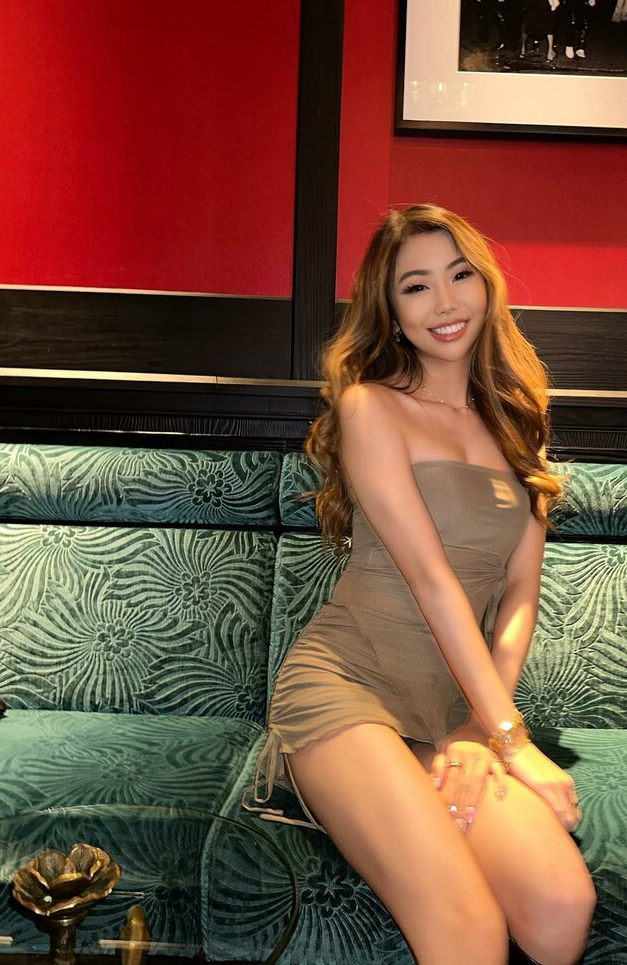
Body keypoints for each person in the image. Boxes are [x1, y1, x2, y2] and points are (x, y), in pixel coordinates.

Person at [251, 204, 596, 965]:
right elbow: (433, 580)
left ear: (486, 284)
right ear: (391, 310)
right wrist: (515, 741)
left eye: (459, 275)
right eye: (416, 286)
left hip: (451, 709)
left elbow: (520, 593)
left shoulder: (518, 419)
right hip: (348, 688)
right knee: (468, 929)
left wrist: (479, 726)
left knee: (561, 906)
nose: (444, 302)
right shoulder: (371, 407)